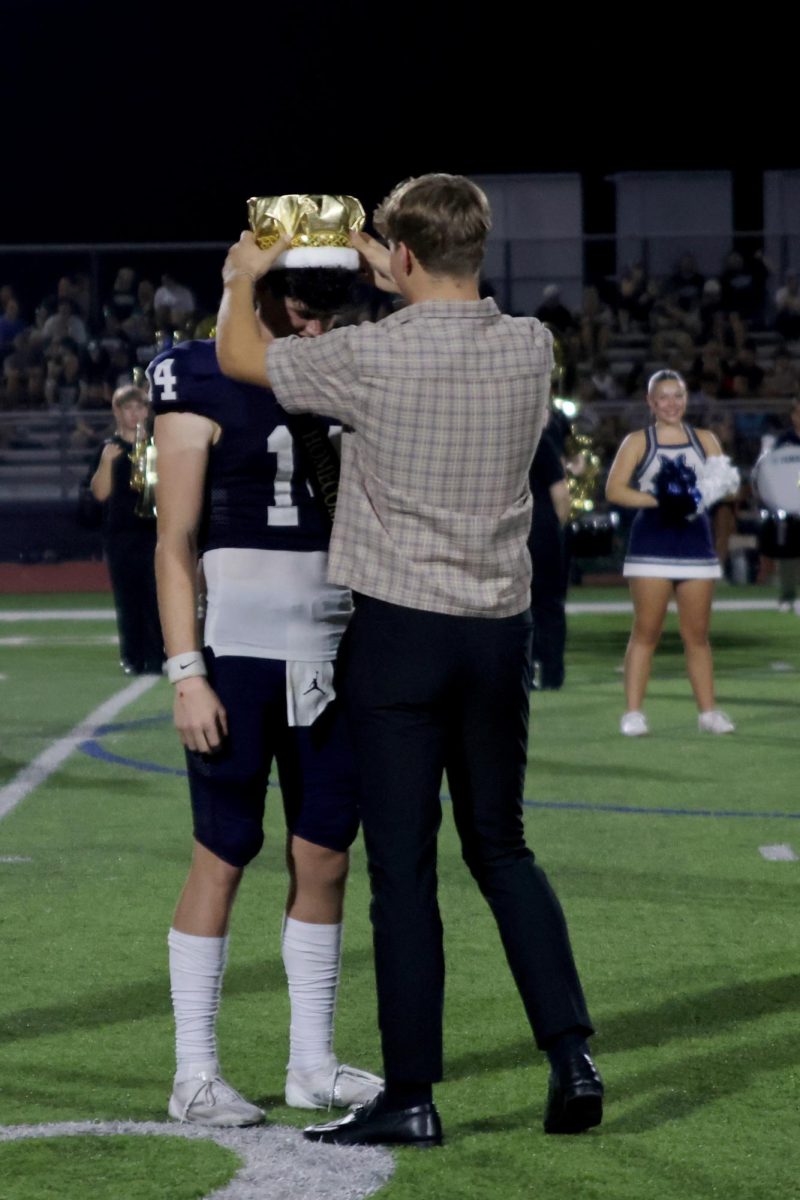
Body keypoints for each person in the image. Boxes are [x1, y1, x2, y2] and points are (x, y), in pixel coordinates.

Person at [214, 173, 601, 1148]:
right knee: (501, 848)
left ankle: (411, 1095)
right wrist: (390, 256)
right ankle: (569, 1055)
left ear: (406, 258)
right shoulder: (528, 345)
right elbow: (447, 293)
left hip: (397, 634)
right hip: (496, 633)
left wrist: (246, 269)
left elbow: (238, 355)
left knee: (402, 874)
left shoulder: (370, 357)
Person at [150, 245, 382, 1129]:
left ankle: (312, 1064)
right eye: (304, 307)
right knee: (223, 852)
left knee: (325, 853)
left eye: (333, 309)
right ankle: (195, 1073)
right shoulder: (195, 373)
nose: (319, 325)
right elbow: (174, 545)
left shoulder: (339, 370)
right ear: (261, 292)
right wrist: (185, 671)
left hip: (331, 651)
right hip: (237, 650)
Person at [605, 369, 734, 737]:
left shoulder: (705, 439)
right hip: (652, 544)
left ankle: (708, 712)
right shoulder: (637, 441)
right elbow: (615, 490)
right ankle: (633, 713)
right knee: (646, 631)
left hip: (696, 543)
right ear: (651, 402)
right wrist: (662, 500)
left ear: (686, 398)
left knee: (697, 635)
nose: (671, 403)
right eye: (663, 396)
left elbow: (722, 483)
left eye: (678, 395)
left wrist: (696, 500)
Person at [89, 384, 163, 676]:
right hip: (121, 533)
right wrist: (107, 462)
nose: (135, 413)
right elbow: (100, 494)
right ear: (117, 412)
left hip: (155, 531)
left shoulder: (157, 445)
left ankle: (158, 656)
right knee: (127, 597)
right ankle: (132, 657)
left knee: (156, 595)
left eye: (140, 408)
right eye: (129, 408)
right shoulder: (110, 448)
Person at [529, 431, 571, 690]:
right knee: (550, 608)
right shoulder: (540, 439)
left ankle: (525, 671)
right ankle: (552, 674)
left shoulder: (495, 435)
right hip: (542, 534)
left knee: (515, 609)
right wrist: (555, 529)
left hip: (508, 533)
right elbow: (561, 494)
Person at [751, 397, 800, 614]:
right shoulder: (783, 442)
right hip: (790, 506)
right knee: (790, 553)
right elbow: (770, 472)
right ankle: (788, 595)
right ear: (792, 415)